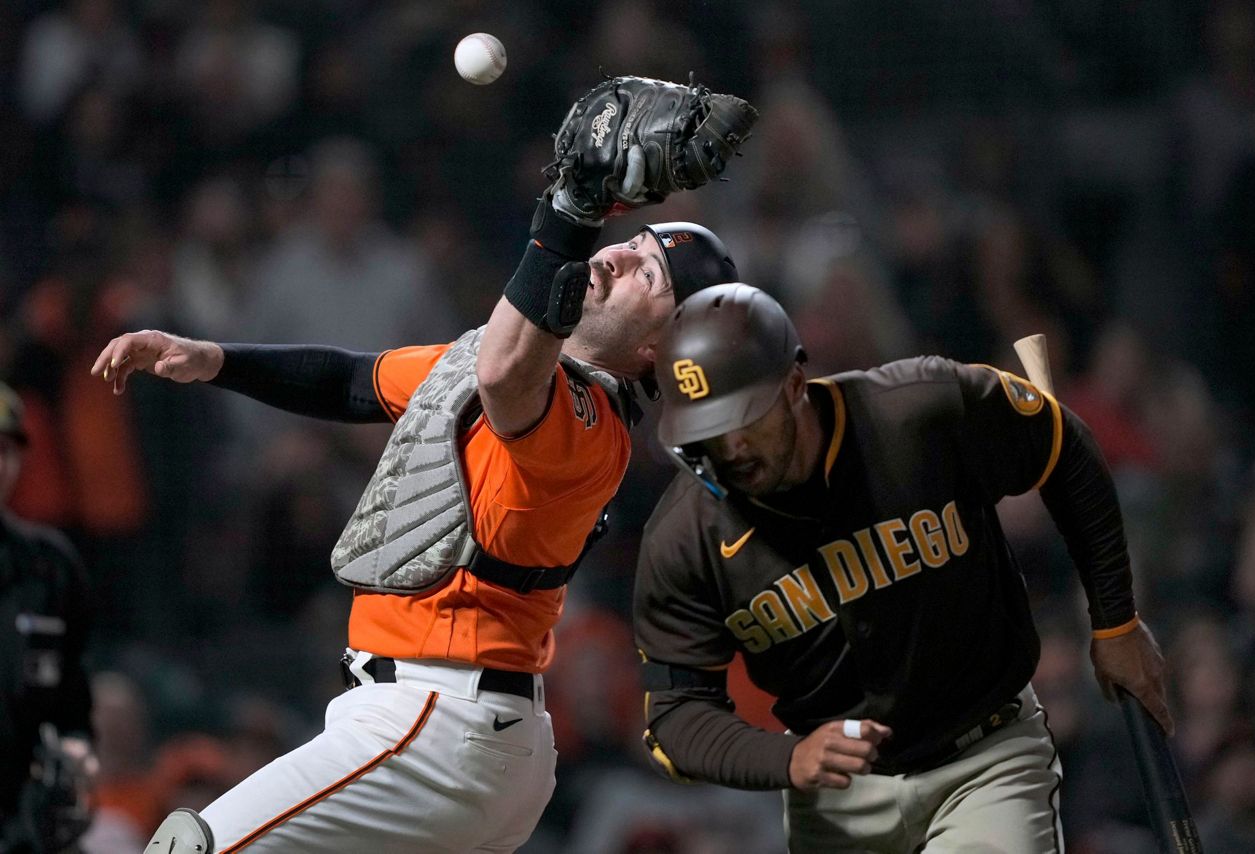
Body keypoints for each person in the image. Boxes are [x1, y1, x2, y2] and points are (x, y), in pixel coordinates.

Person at [92, 76, 753, 852]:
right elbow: (355, 380)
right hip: (457, 732)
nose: (617, 261)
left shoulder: (589, 423)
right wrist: (214, 358)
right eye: (633, 241)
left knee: (189, 846)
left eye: (649, 276)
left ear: (655, 350)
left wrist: (567, 209)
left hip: (439, 726)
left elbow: (508, 373)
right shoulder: (509, 363)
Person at [633, 283, 1173, 853]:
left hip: (983, 758)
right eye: (707, 431)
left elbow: (1063, 447)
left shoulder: (919, 409)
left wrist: (1115, 623)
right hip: (837, 797)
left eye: (744, 416)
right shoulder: (683, 538)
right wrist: (787, 757)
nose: (731, 446)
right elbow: (674, 718)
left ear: (794, 383)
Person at [0, 382, 96, 853]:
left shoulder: (50, 565)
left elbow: (73, 695)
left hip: (25, 815)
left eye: (3, 449)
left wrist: (78, 752)